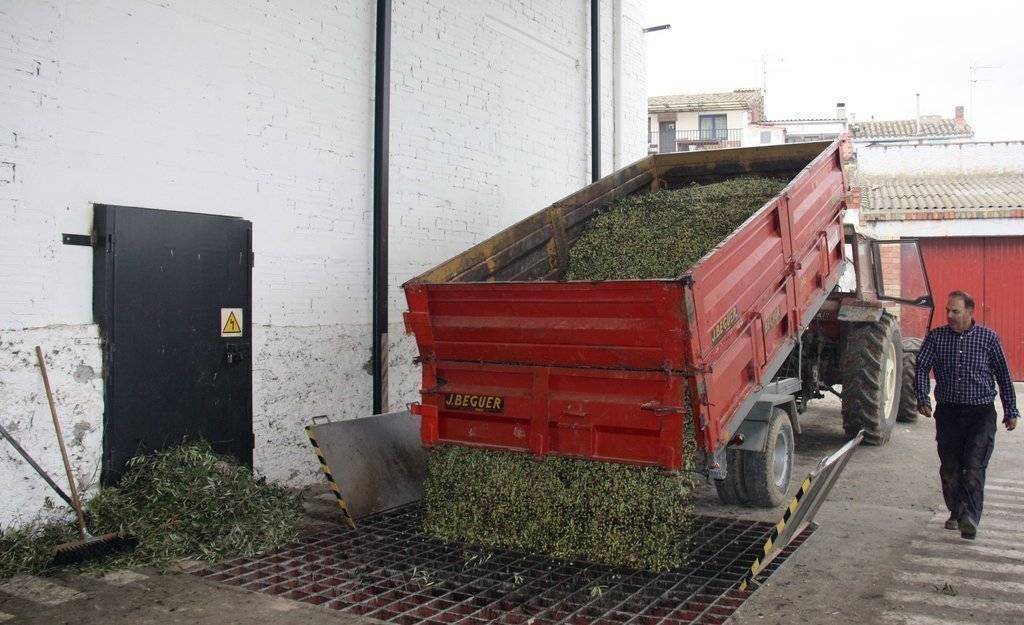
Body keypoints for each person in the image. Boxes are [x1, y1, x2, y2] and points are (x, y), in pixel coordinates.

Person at [915, 290, 1018, 540]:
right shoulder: (937, 338)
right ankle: (957, 510)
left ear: (970, 312)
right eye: (948, 310)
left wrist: (1011, 410)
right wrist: (922, 397)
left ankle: (970, 517)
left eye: (955, 311)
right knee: (950, 469)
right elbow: (921, 366)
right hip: (948, 413)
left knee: (973, 467)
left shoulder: (988, 339)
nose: (949, 315)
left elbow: (1004, 375)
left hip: (979, 414)